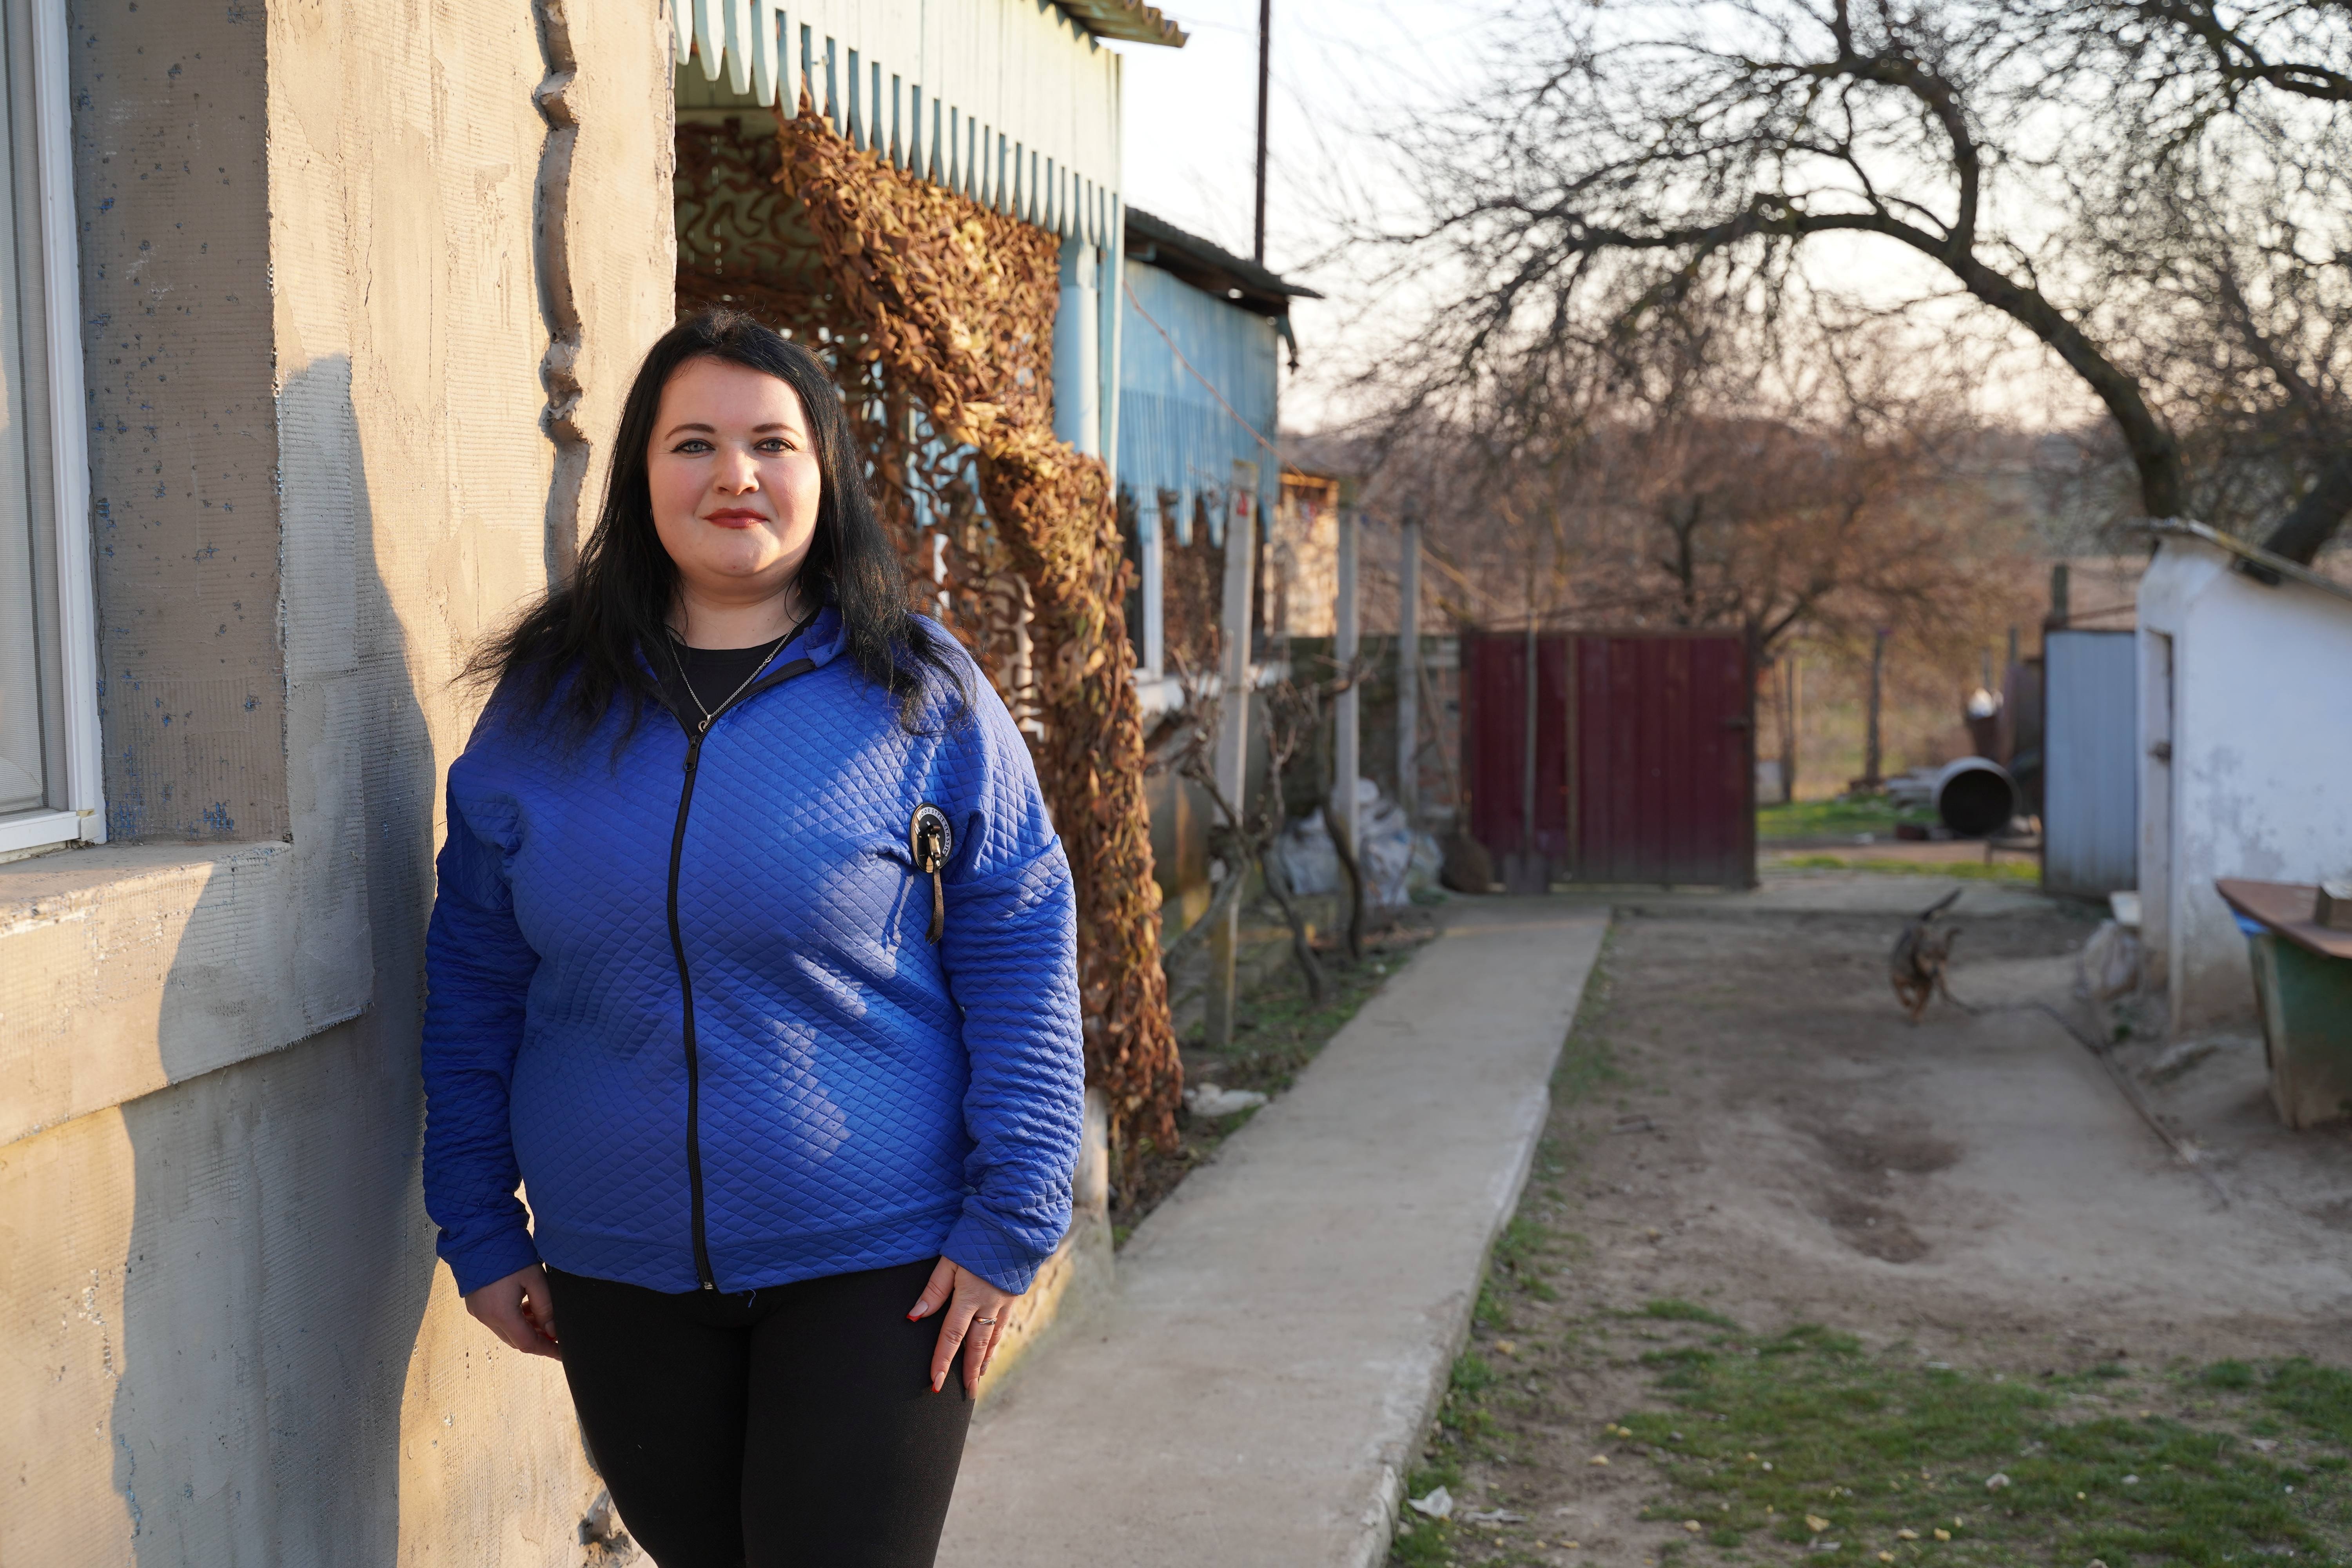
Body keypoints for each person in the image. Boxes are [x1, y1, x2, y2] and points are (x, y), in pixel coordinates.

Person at [420, 308, 1085, 1568]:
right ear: (642, 477)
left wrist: (1014, 1216)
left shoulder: (920, 692)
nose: (736, 475)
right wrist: (477, 1221)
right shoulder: (546, 705)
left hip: (880, 1268)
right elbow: (474, 981)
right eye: (694, 444)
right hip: (617, 1272)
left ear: (823, 475)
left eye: (772, 443)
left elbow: (1018, 940)